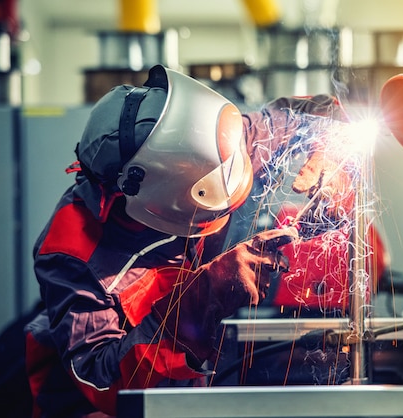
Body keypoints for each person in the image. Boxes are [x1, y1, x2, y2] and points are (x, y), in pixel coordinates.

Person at [24, 64, 351, 417]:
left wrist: (329, 155)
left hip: (193, 381)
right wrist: (207, 292)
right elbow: (105, 382)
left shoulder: (214, 143)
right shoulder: (72, 253)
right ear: (164, 200)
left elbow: (319, 113)